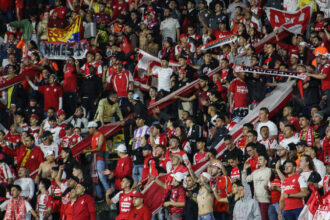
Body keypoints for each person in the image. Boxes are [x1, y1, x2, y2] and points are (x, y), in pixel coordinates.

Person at [242, 154, 271, 220]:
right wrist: (244, 170)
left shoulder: (269, 171)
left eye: (260, 159)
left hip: (265, 200)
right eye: (258, 160)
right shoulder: (255, 172)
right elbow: (244, 181)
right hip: (255, 200)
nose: (258, 161)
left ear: (266, 161)